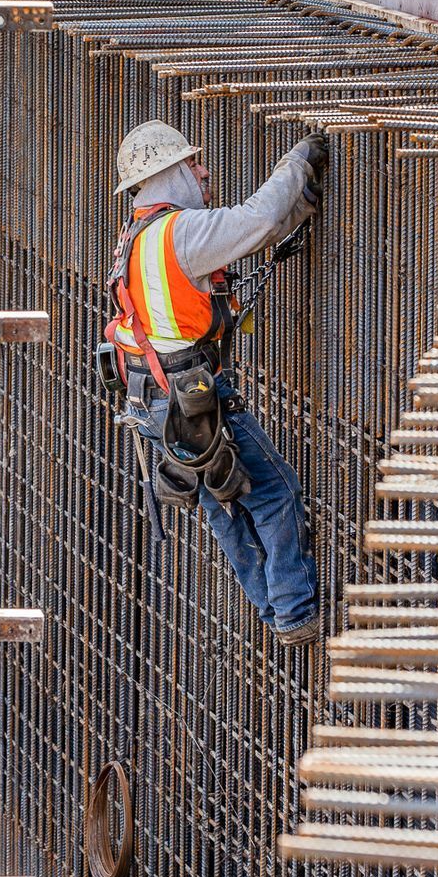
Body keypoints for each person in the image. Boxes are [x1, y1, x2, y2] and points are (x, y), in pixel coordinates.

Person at [104, 120, 328, 646]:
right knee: (274, 492)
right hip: (192, 401)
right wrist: (297, 162)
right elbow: (258, 218)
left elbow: (254, 234)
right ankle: (296, 613)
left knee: (225, 504)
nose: (205, 173)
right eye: (194, 164)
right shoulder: (179, 232)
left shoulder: (137, 236)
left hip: (157, 401)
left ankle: (275, 612)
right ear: (172, 172)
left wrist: (300, 208)